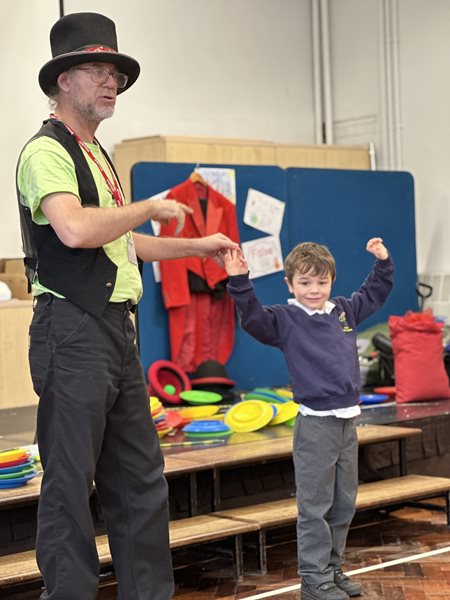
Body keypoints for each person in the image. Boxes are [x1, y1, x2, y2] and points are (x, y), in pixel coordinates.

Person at [16, 12, 239, 600]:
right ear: (63, 80)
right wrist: (148, 206)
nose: (110, 81)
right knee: (69, 486)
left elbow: (120, 241)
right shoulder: (45, 152)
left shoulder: (95, 153)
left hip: (116, 331)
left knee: (140, 480)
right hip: (72, 331)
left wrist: (197, 246)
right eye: (96, 69)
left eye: (114, 72)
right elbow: (74, 229)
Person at [223, 238, 394, 600]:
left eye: (321, 282)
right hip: (316, 425)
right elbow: (252, 318)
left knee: (343, 503)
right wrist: (239, 280)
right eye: (304, 282)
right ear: (289, 284)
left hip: (347, 422)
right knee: (315, 507)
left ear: (332, 281)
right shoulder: (284, 319)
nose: (314, 289)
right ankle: (314, 580)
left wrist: (383, 262)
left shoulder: (344, 311)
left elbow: (374, 293)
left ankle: (332, 569)